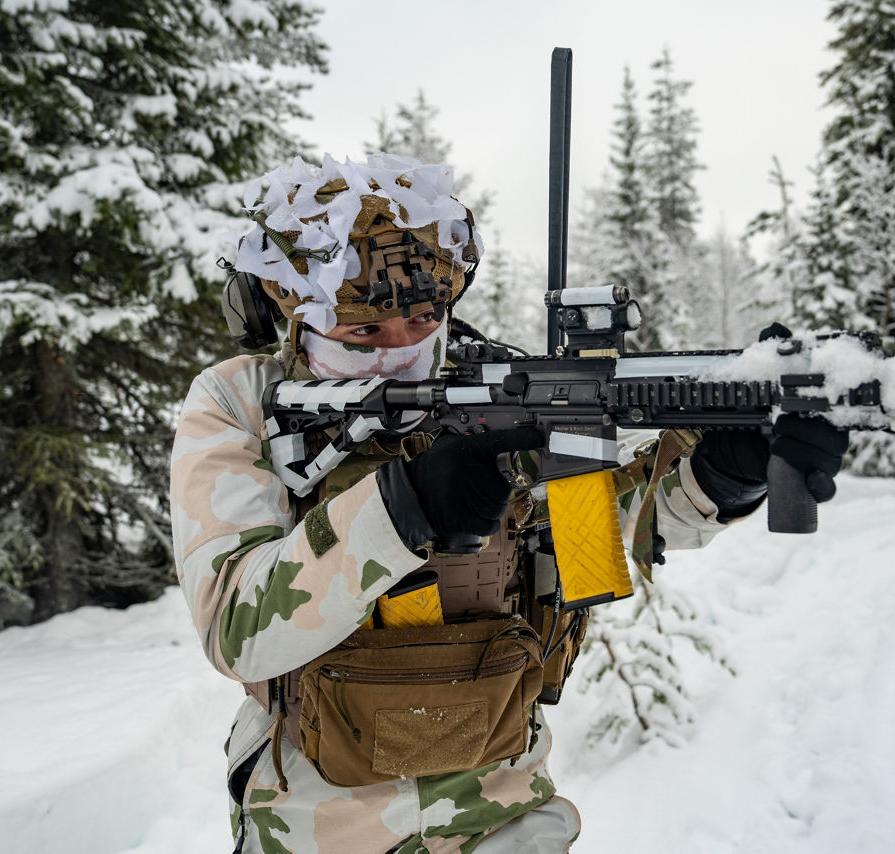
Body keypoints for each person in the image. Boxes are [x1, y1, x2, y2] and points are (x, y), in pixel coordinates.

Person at [170, 153, 848, 854]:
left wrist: (720, 477)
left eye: (424, 321)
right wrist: (404, 507)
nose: (400, 351)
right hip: (318, 822)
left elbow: (599, 536)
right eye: (363, 333)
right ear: (289, 318)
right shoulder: (239, 402)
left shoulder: (495, 383)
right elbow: (235, 627)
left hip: (505, 810)